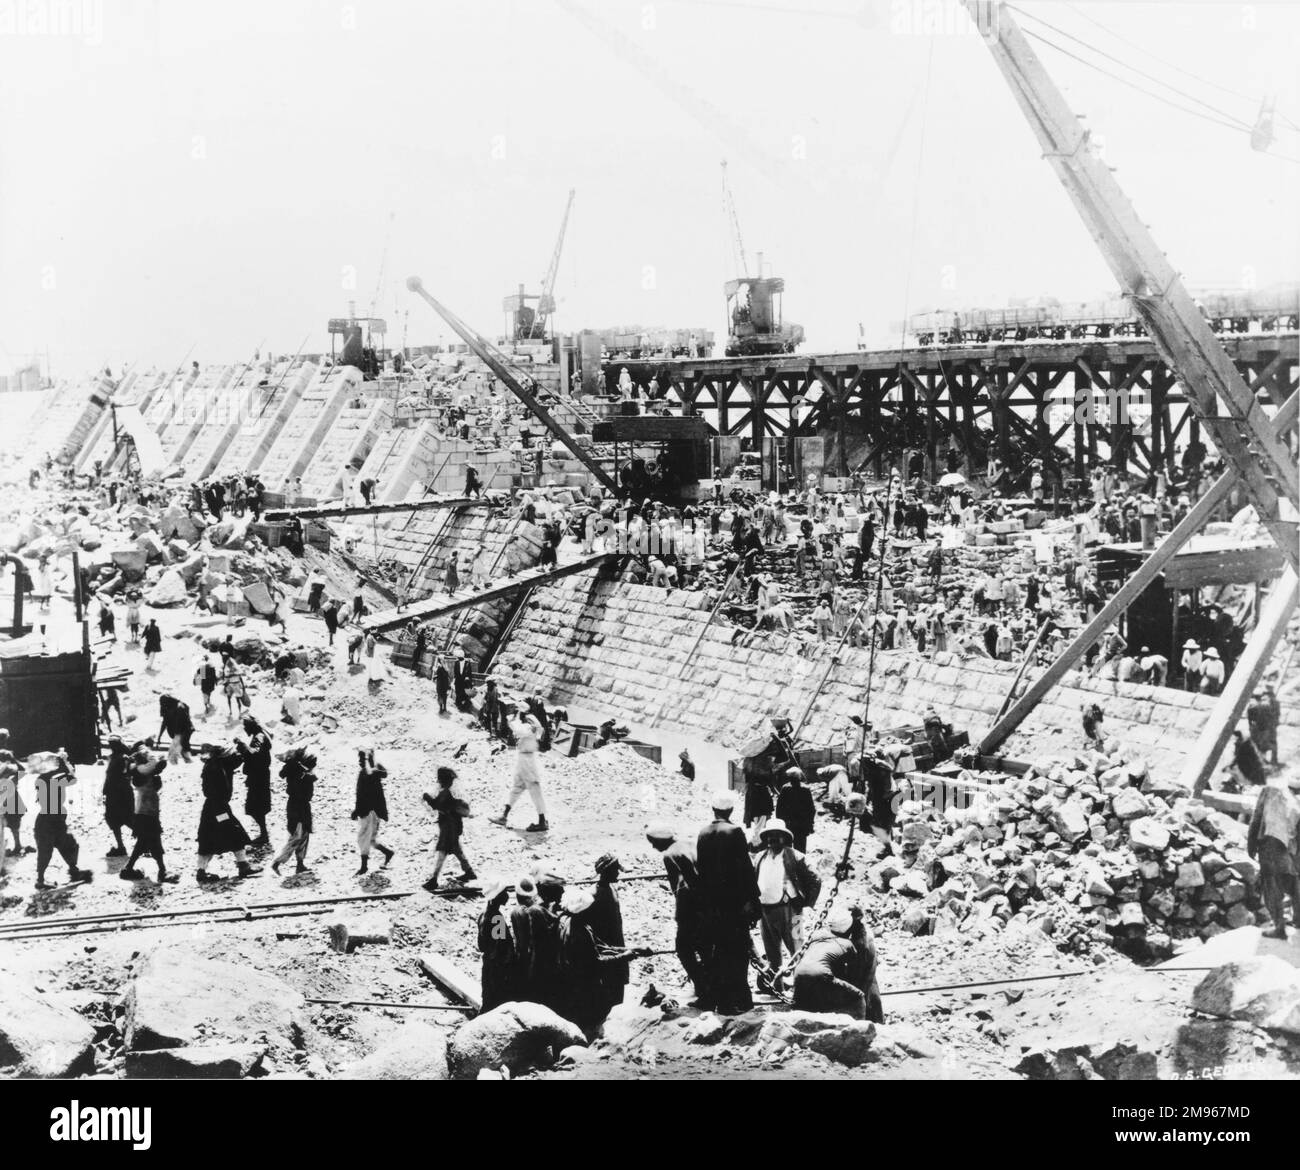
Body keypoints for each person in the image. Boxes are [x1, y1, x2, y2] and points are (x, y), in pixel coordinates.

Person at [696, 790, 760, 1014]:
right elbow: (745, 869)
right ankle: (739, 999)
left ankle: (718, 997)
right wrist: (753, 901)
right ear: (731, 810)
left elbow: (701, 871)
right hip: (733, 906)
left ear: (713, 809)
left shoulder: (703, 833)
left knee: (717, 952)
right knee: (737, 952)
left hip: (711, 906)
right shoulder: (734, 831)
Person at [556, 887, 646, 1038]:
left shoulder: (565, 921)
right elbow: (596, 960)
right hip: (584, 983)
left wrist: (633, 949)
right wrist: (625, 956)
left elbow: (600, 946)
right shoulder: (580, 931)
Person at [752, 819, 821, 990]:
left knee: (797, 948)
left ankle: (803, 987)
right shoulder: (760, 857)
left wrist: (804, 901)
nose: (772, 839)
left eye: (777, 836)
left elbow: (815, 879)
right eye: (769, 836)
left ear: (784, 837)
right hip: (765, 910)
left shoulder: (795, 856)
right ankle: (778, 986)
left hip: (791, 910)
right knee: (771, 951)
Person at [792, 906, 883, 1022]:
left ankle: (866, 1022)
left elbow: (860, 974)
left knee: (865, 995)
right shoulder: (845, 939)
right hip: (838, 969)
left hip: (863, 967)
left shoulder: (862, 940)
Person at [646, 824, 705, 999]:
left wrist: (680, 914)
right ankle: (711, 987)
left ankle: (703, 990)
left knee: (684, 949)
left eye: (653, 842)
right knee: (704, 949)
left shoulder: (669, 855)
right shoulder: (691, 844)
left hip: (690, 910)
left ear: (659, 841)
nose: (653, 847)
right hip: (707, 906)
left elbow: (682, 888)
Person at [1246, 772, 1300, 940]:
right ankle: (1298, 921)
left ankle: (1279, 928)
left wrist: (1251, 845)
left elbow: (1257, 817)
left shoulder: (1270, 790)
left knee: (1272, 887)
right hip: (1291, 847)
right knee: (1295, 884)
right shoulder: (1295, 799)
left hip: (1271, 844)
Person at [195, 745, 261, 882]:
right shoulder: (214, 768)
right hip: (217, 808)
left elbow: (237, 760)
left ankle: (203, 871)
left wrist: (243, 750)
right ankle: (242, 866)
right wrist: (220, 815)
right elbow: (211, 791)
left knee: (212, 839)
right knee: (233, 833)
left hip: (215, 807)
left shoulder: (217, 764)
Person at [32, 751, 92, 890]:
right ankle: (41, 880)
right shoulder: (51, 779)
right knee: (49, 851)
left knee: (67, 845)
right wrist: (64, 762)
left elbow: (69, 777)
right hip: (50, 820)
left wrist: (63, 763)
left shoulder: (44, 778)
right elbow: (72, 778)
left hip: (51, 819)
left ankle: (73, 871)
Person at [119, 743, 177, 883]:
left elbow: (158, 765)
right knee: (152, 841)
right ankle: (161, 871)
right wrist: (149, 754)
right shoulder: (141, 771)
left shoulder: (138, 771)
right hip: (147, 812)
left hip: (144, 811)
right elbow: (157, 763)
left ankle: (131, 868)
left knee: (145, 841)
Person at [489, 711, 549, 832]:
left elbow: (518, 730)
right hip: (524, 760)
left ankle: (542, 821)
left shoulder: (528, 728)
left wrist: (511, 719)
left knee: (534, 790)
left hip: (527, 761)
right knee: (517, 788)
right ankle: (504, 815)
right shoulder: (532, 729)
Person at [588, 852, 630, 1016]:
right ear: (607, 872)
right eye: (615, 870)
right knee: (607, 987)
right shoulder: (594, 894)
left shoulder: (612, 888)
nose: (618, 873)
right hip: (605, 947)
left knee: (618, 984)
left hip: (617, 941)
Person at [422, 766, 476, 888]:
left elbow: (437, 805)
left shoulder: (445, 793)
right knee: (457, 850)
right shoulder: (450, 792)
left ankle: (434, 879)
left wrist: (427, 797)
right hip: (453, 826)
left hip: (448, 828)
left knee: (442, 852)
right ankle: (469, 872)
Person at [271, 745, 317, 876]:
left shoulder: (297, 772)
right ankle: (278, 861)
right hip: (299, 807)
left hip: (298, 806)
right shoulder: (301, 774)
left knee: (302, 835)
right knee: (297, 836)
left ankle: (300, 864)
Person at [351, 742, 394, 875]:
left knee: (363, 838)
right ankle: (388, 853)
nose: (359, 761)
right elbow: (361, 793)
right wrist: (356, 809)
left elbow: (378, 775)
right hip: (366, 810)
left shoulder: (373, 771)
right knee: (370, 839)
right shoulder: (366, 771)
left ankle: (364, 866)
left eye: (361, 758)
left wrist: (358, 809)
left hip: (371, 811)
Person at [477, 876, 515, 1011]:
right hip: (497, 969)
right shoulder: (496, 919)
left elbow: (481, 944)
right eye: (504, 892)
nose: (507, 895)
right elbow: (500, 949)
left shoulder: (483, 914)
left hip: (489, 967)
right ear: (498, 896)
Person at [236, 715, 273, 848]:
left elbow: (255, 754)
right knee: (255, 807)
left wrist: (243, 746)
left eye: (246, 726)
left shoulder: (259, 737)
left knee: (255, 807)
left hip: (259, 777)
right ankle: (263, 833)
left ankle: (264, 834)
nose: (244, 728)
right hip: (258, 776)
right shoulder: (259, 735)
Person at [102, 736, 134, 857]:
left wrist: (105, 791)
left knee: (122, 819)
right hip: (118, 793)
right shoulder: (121, 758)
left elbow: (113, 777)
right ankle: (122, 846)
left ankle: (144, 841)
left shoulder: (120, 759)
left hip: (117, 794)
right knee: (120, 820)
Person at [775, 767, 815, 851]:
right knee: (800, 848)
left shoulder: (785, 788)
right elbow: (811, 808)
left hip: (788, 823)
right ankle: (800, 863)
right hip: (801, 824)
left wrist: (779, 822)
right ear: (799, 777)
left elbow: (779, 808)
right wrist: (810, 823)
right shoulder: (805, 789)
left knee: (787, 848)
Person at [157, 693, 194, 765]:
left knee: (172, 754)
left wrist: (179, 734)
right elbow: (164, 722)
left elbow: (183, 721)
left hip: (183, 730)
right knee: (182, 749)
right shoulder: (166, 707)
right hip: (178, 732)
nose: (162, 705)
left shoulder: (179, 707)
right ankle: (187, 761)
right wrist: (159, 736)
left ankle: (182, 763)